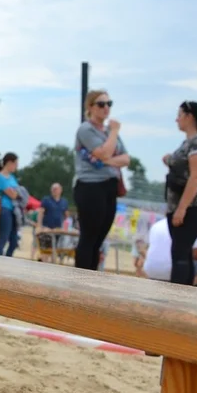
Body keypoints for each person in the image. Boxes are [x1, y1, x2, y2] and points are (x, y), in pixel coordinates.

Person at [72, 90, 129, 270]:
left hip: (109, 186)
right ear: (90, 107)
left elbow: (126, 158)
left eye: (109, 104)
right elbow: (103, 151)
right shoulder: (86, 129)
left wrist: (108, 160)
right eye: (101, 104)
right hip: (90, 186)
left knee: (99, 238)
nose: (106, 108)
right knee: (89, 236)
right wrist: (114, 131)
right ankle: (81, 279)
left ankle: (92, 278)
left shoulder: (108, 132)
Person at [163, 101, 197, 286]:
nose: (177, 119)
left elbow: (196, 176)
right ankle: (183, 294)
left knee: (180, 254)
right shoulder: (188, 143)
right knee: (182, 253)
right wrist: (170, 160)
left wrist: (182, 208)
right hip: (181, 207)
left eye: (179, 114)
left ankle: (177, 297)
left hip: (191, 208)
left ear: (189, 116)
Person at [0, 153, 20, 256]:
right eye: (15, 164)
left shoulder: (12, 177)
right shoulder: (0, 177)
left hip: (14, 211)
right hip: (4, 209)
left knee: (14, 241)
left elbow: (16, 192)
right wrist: (17, 193)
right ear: (9, 163)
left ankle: (7, 261)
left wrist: (16, 193)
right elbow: (13, 195)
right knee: (3, 238)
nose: (17, 166)